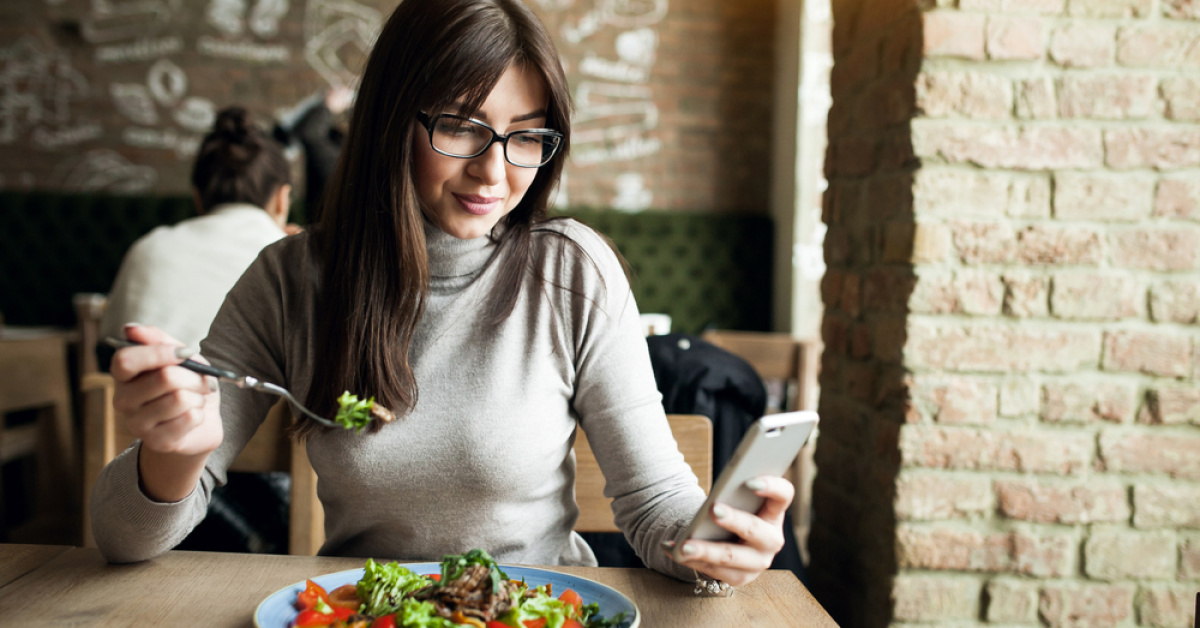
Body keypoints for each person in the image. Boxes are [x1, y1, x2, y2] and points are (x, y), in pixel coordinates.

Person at [91, 0, 793, 592]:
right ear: (395, 119)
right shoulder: (291, 279)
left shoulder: (574, 270)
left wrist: (715, 546)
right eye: (461, 126)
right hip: (366, 611)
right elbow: (121, 540)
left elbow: (654, 503)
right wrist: (176, 454)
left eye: (526, 137)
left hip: (535, 609)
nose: (494, 171)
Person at [99, 106, 294, 354]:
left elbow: (110, 341)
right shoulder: (292, 260)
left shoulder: (150, 247)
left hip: (155, 389)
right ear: (282, 198)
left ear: (198, 198)